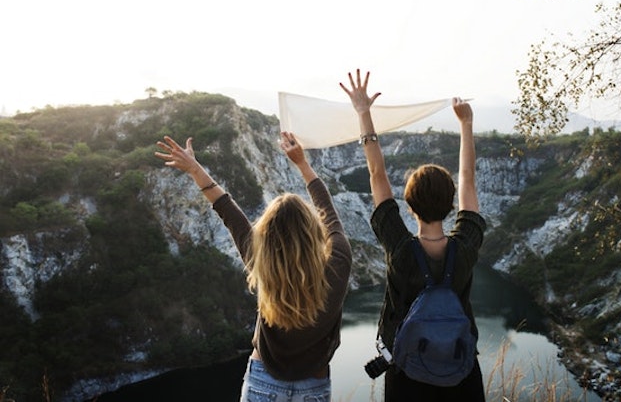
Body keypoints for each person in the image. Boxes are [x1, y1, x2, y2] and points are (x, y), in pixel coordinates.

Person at [154, 131, 352, 402]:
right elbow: (328, 211)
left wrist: (194, 169)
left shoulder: (261, 261)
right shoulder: (339, 263)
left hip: (263, 381)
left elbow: (226, 209)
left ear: (266, 235)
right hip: (313, 386)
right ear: (312, 232)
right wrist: (302, 164)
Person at [340, 69, 486, 402]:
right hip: (461, 372)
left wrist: (363, 113)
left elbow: (377, 175)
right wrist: (466, 124)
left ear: (409, 206)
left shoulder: (401, 250)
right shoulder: (464, 249)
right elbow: (468, 180)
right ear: (451, 205)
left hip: (407, 373)